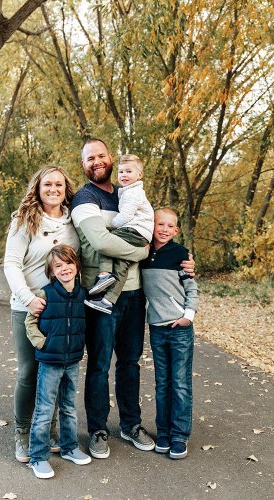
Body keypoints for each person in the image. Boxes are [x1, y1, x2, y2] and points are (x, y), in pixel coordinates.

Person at [71, 138, 195, 459]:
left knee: (130, 363)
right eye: (89, 159)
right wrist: (141, 250)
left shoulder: (129, 192)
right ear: (83, 165)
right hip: (102, 295)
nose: (96, 162)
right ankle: (98, 429)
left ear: (111, 159)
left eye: (101, 156)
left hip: (135, 295)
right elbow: (100, 241)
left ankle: (130, 423)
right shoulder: (85, 197)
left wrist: (182, 259)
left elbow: (155, 232)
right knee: (99, 365)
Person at [4, 165, 80, 463]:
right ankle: (23, 433)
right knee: (29, 372)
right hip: (28, 307)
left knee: (55, 373)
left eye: (58, 184)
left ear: (65, 188)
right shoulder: (24, 220)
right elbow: (11, 264)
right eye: (47, 184)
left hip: (62, 310)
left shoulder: (75, 220)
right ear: (37, 187)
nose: (53, 189)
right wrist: (28, 298)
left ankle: (47, 429)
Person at [25, 245, 91, 479]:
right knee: (44, 409)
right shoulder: (45, 294)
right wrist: (43, 344)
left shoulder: (83, 294)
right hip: (50, 361)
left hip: (72, 360)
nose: (65, 268)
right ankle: (38, 457)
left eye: (69, 263)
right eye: (58, 265)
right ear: (52, 272)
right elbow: (29, 323)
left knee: (69, 407)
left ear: (77, 265)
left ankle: (70, 447)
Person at [141, 208, 199, 460]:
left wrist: (188, 316)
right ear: (151, 225)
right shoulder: (142, 252)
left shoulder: (181, 254)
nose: (164, 229)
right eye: (159, 224)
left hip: (179, 328)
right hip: (156, 327)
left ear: (176, 230)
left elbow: (191, 288)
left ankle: (179, 435)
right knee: (162, 383)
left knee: (180, 383)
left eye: (169, 226)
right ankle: (163, 433)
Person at [84, 154, 154, 314]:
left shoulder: (134, 193)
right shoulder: (127, 191)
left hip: (136, 231)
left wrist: (110, 226)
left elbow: (126, 216)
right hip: (140, 233)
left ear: (140, 175)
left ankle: (105, 274)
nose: (124, 175)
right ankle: (108, 301)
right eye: (121, 172)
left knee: (107, 242)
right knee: (122, 264)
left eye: (129, 171)